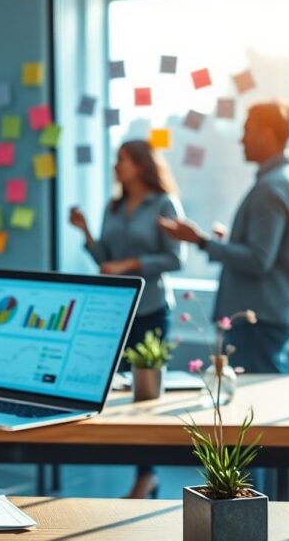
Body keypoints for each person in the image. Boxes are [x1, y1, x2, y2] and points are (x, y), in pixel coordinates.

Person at [159, 101, 289, 375]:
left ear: (266, 134)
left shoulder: (272, 187)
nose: (241, 140)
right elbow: (271, 251)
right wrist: (229, 243)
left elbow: (258, 260)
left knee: (258, 404)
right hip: (271, 311)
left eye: (247, 131)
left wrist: (202, 242)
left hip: (257, 317)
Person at [69, 139, 185, 499]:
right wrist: (86, 231)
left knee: (146, 397)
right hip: (117, 310)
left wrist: (132, 265)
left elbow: (174, 260)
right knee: (109, 386)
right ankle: (134, 467)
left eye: (121, 160)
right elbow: (105, 259)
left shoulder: (164, 203)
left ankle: (146, 475)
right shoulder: (114, 206)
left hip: (151, 308)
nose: (116, 167)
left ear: (140, 164)